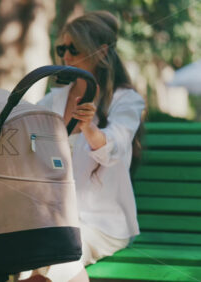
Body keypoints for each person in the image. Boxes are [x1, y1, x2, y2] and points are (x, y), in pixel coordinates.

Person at [19, 11, 145, 282]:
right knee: (26, 262)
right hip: (53, 219)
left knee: (56, 256)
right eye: (61, 48)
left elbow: (116, 145)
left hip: (101, 222)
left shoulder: (126, 101)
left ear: (100, 52)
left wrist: (89, 127)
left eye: (73, 49)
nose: (65, 56)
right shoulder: (53, 101)